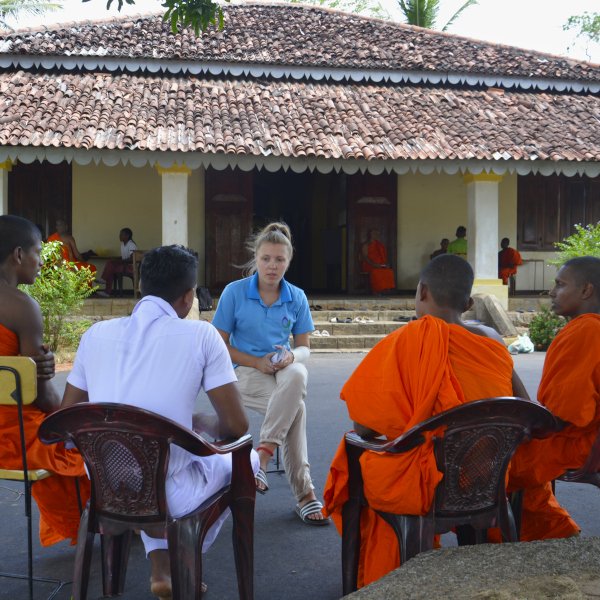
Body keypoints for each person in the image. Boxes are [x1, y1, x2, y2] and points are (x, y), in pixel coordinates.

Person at [61, 244, 257, 599]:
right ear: (188, 298)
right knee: (247, 458)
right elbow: (236, 427)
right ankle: (181, 563)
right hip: (170, 494)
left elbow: (67, 419)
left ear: (140, 287)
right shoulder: (201, 336)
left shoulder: (94, 335)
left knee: (159, 464)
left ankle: (162, 567)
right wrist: (198, 422)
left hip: (105, 487)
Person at [323, 254, 528, 587]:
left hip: (428, 486)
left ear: (420, 293)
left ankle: (383, 572)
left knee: (355, 453)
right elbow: (523, 406)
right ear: (469, 302)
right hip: (487, 479)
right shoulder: (491, 342)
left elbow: (365, 426)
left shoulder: (406, 342)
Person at [212, 222, 328, 525]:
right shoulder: (234, 293)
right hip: (243, 374)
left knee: (298, 372)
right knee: (296, 410)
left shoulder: (297, 297)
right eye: (266, 259)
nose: (272, 266)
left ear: (288, 262)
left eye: (279, 260)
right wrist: (255, 362)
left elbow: (304, 347)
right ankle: (305, 495)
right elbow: (218, 345)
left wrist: (291, 355)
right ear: (256, 258)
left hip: (282, 373)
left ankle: (261, 457)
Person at [0, 214, 90, 547]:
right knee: (85, 436)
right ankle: (104, 522)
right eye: (38, 252)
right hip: (11, 435)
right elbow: (43, 399)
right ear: (18, 255)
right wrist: (78, 412)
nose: (42, 261)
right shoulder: (22, 307)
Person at [507, 256, 600, 542]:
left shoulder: (587, 331)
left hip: (580, 443)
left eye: (560, 285)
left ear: (586, 291)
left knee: (492, 461)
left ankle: (542, 536)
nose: (551, 292)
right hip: (582, 436)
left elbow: (559, 419)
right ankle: (551, 533)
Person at [96, 227, 137, 297]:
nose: (119, 236)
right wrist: (117, 259)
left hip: (130, 267)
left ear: (127, 236)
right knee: (110, 266)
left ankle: (105, 284)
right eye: (120, 234)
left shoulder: (131, 244)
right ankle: (106, 291)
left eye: (122, 234)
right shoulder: (122, 244)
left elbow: (132, 258)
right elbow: (124, 256)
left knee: (110, 265)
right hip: (124, 265)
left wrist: (119, 261)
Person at [360, 229, 395, 294]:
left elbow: (383, 257)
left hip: (380, 265)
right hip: (369, 265)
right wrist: (374, 264)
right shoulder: (366, 245)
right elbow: (365, 257)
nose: (376, 235)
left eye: (378, 234)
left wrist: (385, 264)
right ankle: (376, 290)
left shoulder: (380, 245)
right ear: (370, 235)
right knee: (376, 272)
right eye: (375, 233)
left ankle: (385, 289)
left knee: (389, 271)